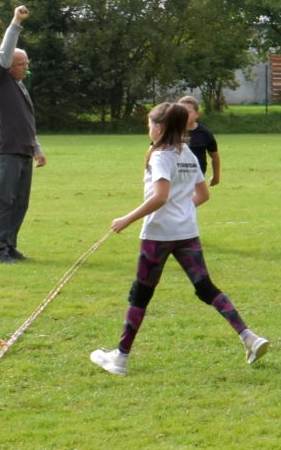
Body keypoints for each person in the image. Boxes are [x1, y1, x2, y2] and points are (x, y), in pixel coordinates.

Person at [89, 101, 266, 376]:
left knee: (141, 295)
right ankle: (249, 337)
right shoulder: (187, 153)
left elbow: (160, 196)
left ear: (159, 128)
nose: (148, 129)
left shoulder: (160, 155)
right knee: (206, 287)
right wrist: (182, 210)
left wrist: (126, 219)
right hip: (187, 232)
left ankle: (121, 359)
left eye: (149, 124)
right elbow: (203, 195)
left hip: (158, 234)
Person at [0, 5, 45, 263]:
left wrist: (37, 149)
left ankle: (10, 246)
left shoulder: (21, 88)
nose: (25, 68)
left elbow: (27, 123)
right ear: (9, 65)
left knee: (20, 202)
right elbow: (5, 52)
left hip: (23, 152)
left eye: (27, 63)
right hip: (6, 151)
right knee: (4, 200)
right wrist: (15, 22)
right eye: (21, 64)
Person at [178, 95, 222, 186]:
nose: (184, 115)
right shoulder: (170, 132)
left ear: (197, 114)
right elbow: (155, 150)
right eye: (181, 112)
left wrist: (216, 176)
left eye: (188, 112)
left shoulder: (205, 133)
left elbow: (214, 156)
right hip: (175, 177)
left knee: (197, 198)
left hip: (196, 178)